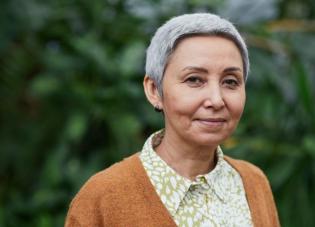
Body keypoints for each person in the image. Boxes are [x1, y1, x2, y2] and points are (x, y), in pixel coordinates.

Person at [65, 13, 280, 227]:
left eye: (231, 82)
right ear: (154, 90)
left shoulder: (253, 182)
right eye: (194, 79)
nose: (216, 100)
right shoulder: (103, 198)